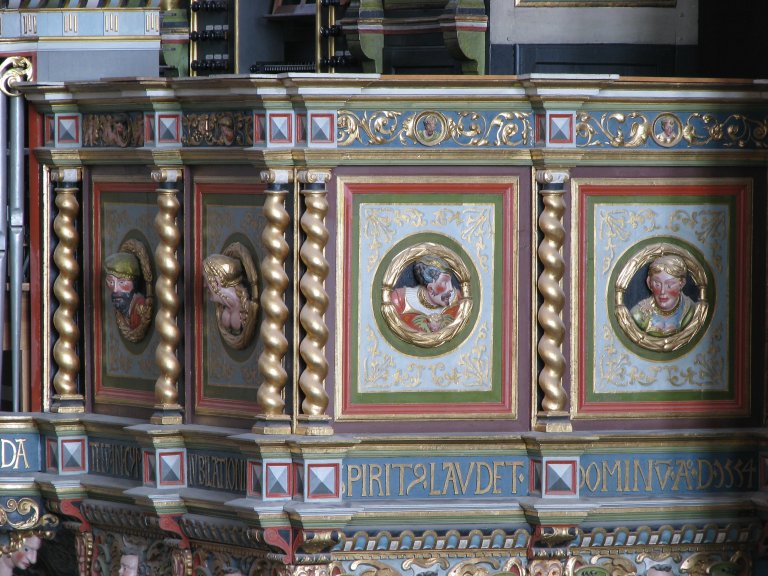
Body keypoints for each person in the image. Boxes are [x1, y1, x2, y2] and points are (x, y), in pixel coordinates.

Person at [390, 256, 462, 333]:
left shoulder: (457, 298)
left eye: (450, 282)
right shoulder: (400, 301)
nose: (451, 289)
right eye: (444, 283)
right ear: (430, 289)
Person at [630, 254, 694, 337]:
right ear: (649, 283)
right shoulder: (638, 314)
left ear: (681, 284)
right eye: (657, 284)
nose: (662, 291)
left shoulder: (692, 311)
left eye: (669, 285)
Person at [203, 252, 257, 349]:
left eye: (207, 280)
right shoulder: (226, 311)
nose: (204, 285)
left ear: (217, 282)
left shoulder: (245, 306)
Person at [104, 251, 151, 336]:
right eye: (111, 282)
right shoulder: (124, 311)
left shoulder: (139, 307)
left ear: (134, 283)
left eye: (122, 282)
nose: (115, 289)